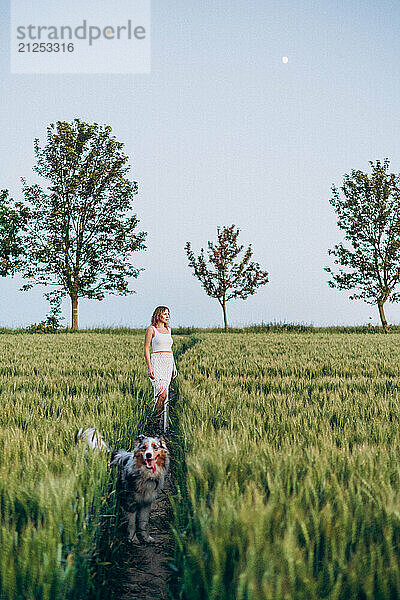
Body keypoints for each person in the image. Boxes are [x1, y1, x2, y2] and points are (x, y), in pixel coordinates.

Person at [144, 306, 177, 431]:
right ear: (158, 315)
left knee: (166, 394)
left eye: (168, 314)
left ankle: (163, 427)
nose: (167, 316)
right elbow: (147, 348)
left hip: (168, 362)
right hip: (157, 361)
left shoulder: (168, 330)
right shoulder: (151, 329)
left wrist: (174, 366)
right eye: (164, 314)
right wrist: (149, 367)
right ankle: (155, 420)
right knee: (161, 393)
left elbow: (170, 349)